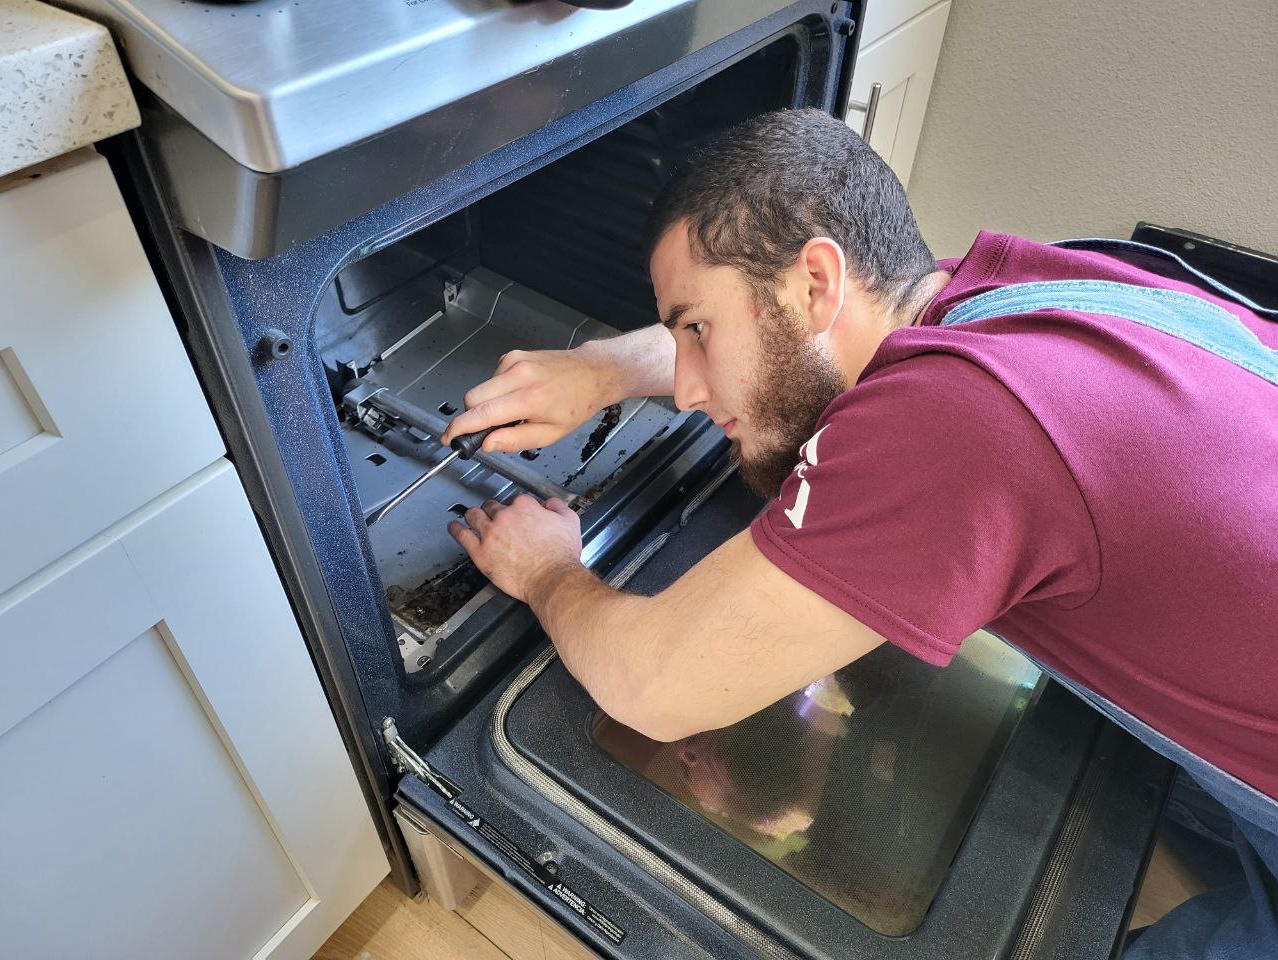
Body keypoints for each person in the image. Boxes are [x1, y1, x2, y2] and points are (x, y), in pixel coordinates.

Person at [441, 108, 1277, 958]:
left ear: (815, 282)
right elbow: (776, 346)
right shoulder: (1003, 299)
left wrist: (548, 571)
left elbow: (656, 688)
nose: (689, 388)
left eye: (696, 328)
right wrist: (602, 370)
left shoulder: (959, 424)